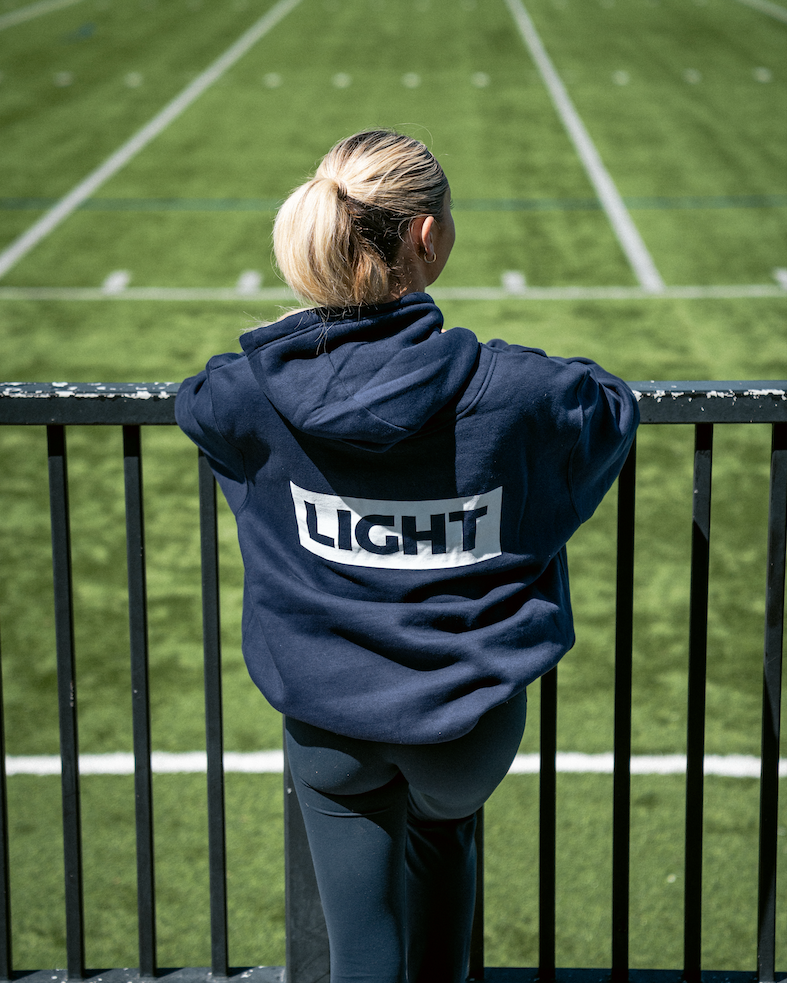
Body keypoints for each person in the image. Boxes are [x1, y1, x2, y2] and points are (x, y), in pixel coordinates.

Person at [175, 129, 639, 983]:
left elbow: (200, 401)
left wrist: (294, 345)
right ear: (425, 238)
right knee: (444, 838)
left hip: (329, 720)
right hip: (465, 719)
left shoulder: (249, 391)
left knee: (360, 952)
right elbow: (606, 406)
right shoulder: (515, 390)